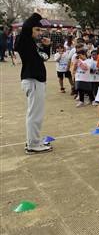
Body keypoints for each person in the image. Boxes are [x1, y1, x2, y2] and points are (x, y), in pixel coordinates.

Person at [16, 9, 53, 153]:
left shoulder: (33, 44)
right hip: (32, 80)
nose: (39, 32)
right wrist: (38, 15)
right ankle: (33, 144)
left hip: (36, 80)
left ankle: (34, 140)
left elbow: (44, 57)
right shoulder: (24, 41)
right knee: (35, 115)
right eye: (37, 29)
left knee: (37, 114)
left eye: (40, 30)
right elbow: (26, 27)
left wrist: (47, 46)